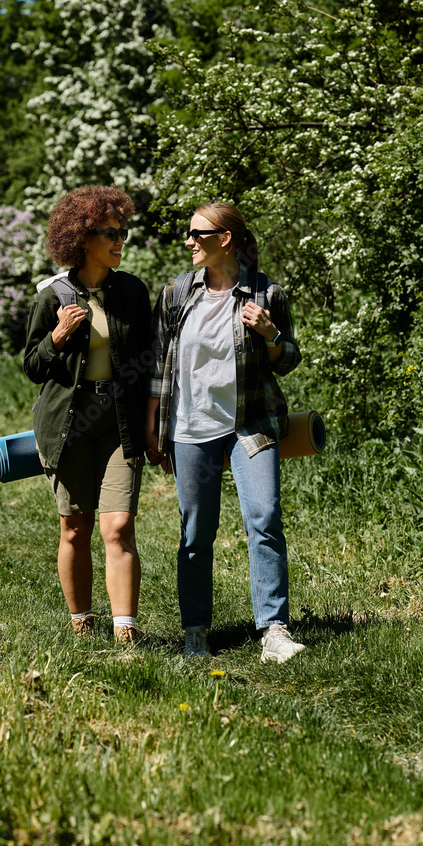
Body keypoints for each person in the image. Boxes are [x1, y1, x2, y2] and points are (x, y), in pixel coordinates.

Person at [146, 202, 305, 663]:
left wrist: (271, 335)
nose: (189, 241)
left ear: (225, 239)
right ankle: (195, 631)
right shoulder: (176, 294)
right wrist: (154, 427)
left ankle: (274, 630)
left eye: (197, 234)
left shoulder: (267, 293)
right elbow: (158, 365)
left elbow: (289, 360)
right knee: (196, 531)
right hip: (190, 427)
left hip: (249, 425)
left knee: (265, 517)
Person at [24, 185, 151, 642]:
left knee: (118, 526)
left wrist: (154, 423)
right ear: (81, 238)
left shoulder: (132, 291)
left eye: (122, 232)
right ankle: (81, 623)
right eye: (110, 233)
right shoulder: (52, 296)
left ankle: (125, 631)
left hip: (120, 423)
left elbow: (151, 363)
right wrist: (57, 336)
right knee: (75, 528)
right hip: (67, 425)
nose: (120, 241)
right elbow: (32, 367)